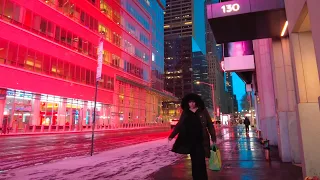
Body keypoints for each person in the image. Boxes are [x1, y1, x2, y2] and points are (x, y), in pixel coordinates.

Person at [168, 93, 216, 180]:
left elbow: (209, 124)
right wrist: (172, 135)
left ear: (197, 102)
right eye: (190, 102)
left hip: (201, 140)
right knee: (194, 162)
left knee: (201, 161)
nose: (192, 104)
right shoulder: (186, 112)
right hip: (190, 141)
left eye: (193, 102)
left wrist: (213, 137)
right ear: (187, 103)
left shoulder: (202, 110)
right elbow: (180, 124)